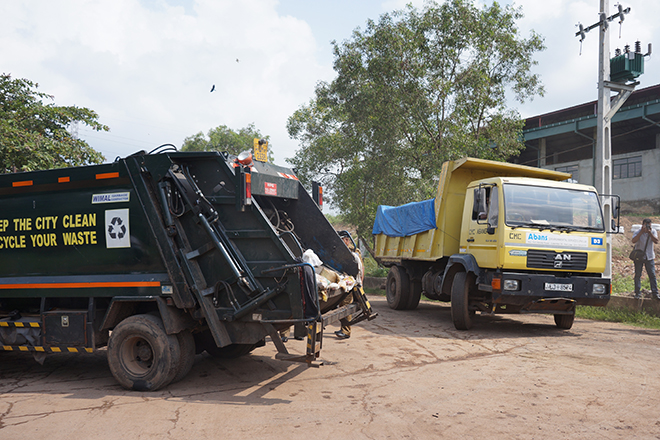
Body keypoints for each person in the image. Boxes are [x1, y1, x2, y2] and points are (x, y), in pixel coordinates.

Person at [335, 231, 364, 340]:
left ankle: (346, 331)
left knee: (346, 305)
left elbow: (361, 269)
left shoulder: (354, 252)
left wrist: (360, 283)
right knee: (342, 305)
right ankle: (343, 329)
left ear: (347, 240)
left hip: (351, 283)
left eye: (342, 240)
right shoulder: (341, 251)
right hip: (343, 282)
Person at [631, 218, 659, 299]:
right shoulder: (637, 232)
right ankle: (637, 292)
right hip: (639, 257)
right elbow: (633, 240)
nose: (647, 227)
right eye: (646, 225)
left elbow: (656, 241)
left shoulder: (653, 231)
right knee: (638, 275)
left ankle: (655, 293)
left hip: (649, 256)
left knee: (652, 275)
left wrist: (649, 233)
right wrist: (641, 232)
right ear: (642, 225)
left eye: (649, 226)